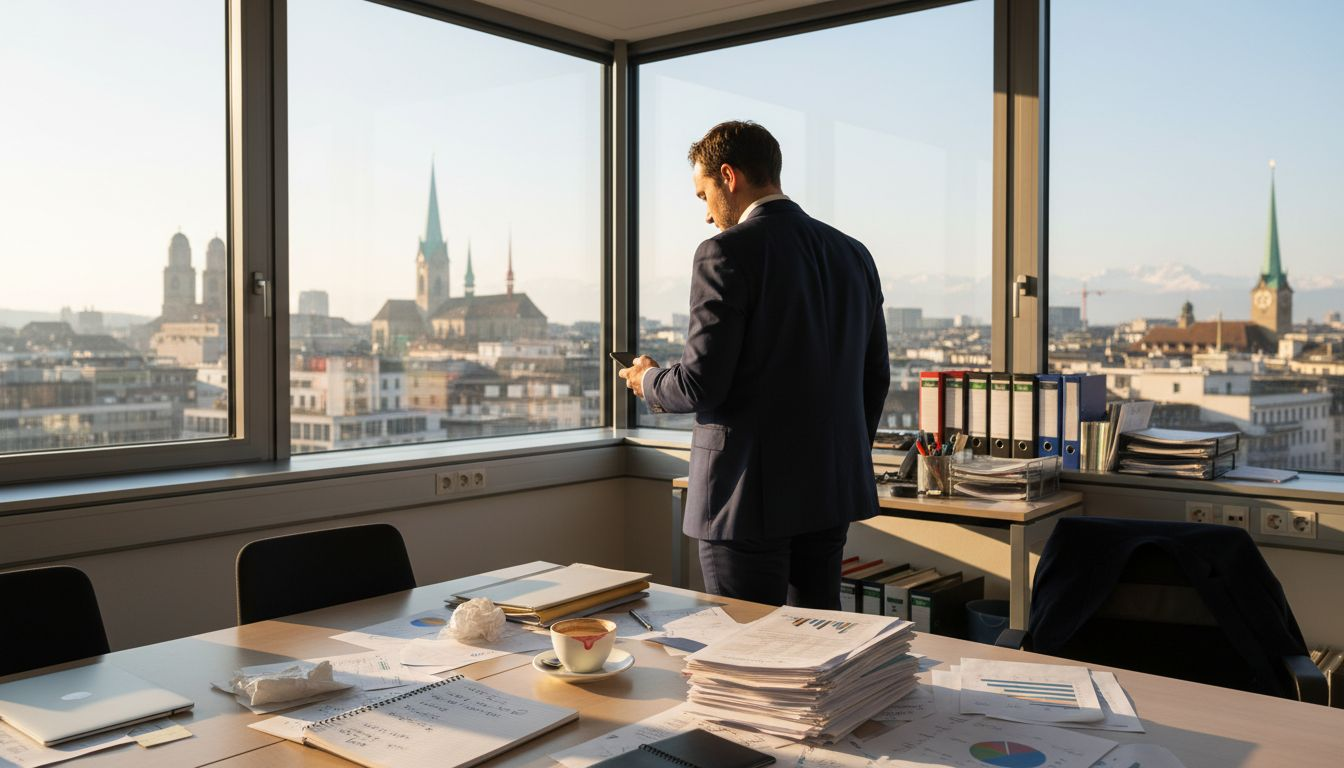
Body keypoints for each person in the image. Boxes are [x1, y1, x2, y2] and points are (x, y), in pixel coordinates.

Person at [618, 120, 889, 609]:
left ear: (729, 176)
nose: (705, 215)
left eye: (703, 195)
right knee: (820, 650)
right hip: (829, 492)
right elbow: (875, 378)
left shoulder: (725, 252)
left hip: (744, 499)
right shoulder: (854, 254)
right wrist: (838, 455)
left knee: (745, 654)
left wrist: (647, 380)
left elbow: (701, 385)